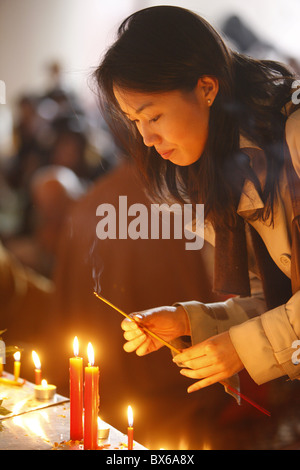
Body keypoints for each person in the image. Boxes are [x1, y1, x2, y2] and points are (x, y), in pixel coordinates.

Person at [93, 5, 300, 398]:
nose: (146, 139)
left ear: (207, 88)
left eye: (152, 116)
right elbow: (279, 299)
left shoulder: (293, 137)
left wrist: (244, 349)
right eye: (134, 122)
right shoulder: (218, 171)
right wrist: (191, 320)